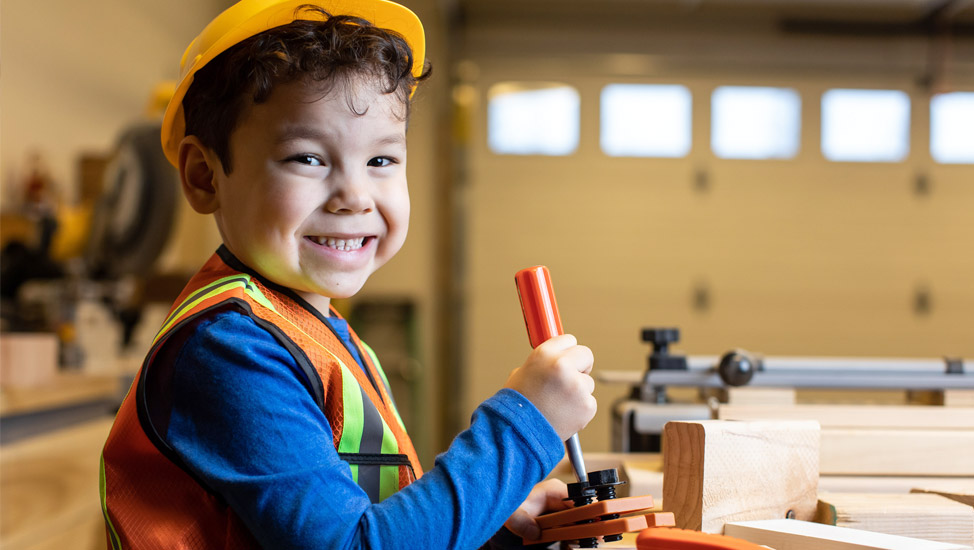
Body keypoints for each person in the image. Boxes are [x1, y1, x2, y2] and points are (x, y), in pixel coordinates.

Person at [99, 1, 597, 548]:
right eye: (308, 159)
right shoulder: (228, 349)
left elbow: (368, 519)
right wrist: (524, 427)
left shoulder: (312, 330)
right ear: (204, 177)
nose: (355, 196)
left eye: (381, 161)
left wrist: (491, 511)